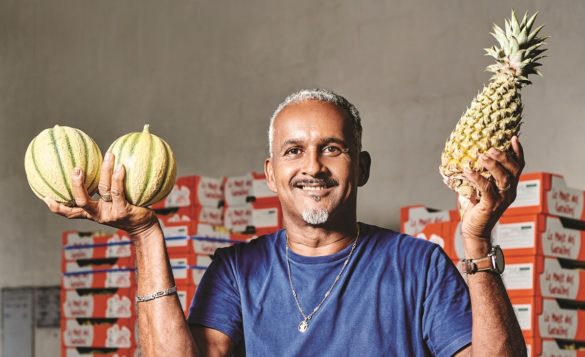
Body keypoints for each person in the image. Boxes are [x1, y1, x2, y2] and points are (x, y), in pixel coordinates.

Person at [46, 89, 526, 356]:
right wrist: (145, 234)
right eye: (293, 151)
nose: (312, 167)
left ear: (361, 167)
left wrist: (477, 239)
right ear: (271, 174)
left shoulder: (419, 265)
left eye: (331, 149)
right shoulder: (237, 270)